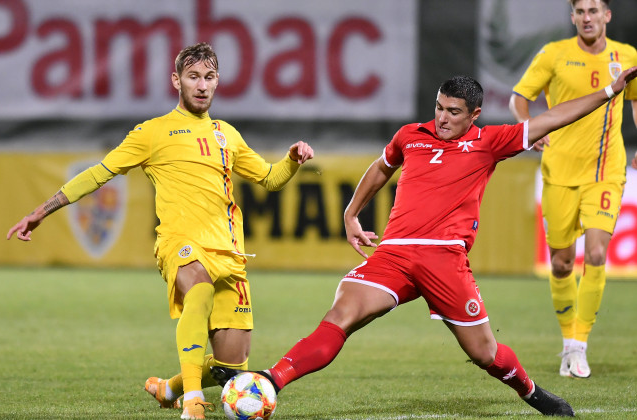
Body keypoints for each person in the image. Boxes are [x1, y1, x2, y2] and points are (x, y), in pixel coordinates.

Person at [211, 67, 637, 417]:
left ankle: (532, 393)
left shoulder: (489, 142)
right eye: (438, 107)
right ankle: (270, 380)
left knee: (485, 353)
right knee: (339, 314)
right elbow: (381, 168)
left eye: (454, 111)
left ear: (474, 114)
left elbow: (554, 117)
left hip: (444, 261)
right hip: (394, 253)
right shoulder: (410, 135)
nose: (443, 118)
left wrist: (607, 91)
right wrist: (351, 212)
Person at [6, 42, 314, 420]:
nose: (202, 85)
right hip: (179, 244)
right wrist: (41, 211)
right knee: (197, 291)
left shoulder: (226, 135)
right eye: (193, 76)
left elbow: (269, 178)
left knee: (230, 367)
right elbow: (98, 173)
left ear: (218, 82)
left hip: (229, 254)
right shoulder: (152, 133)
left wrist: (292, 160)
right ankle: (192, 403)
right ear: (177, 80)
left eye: (209, 77)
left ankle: (170, 388)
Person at [508, 0, 637, 379]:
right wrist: (527, 130)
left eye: (593, 11)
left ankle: (580, 345)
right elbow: (520, 99)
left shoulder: (626, 55)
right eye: (580, 11)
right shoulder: (554, 54)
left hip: (605, 171)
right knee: (563, 262)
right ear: (572, 17)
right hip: (559, 171)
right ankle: (567, 344)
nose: (587, 18)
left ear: (607, 16)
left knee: (597, 253)